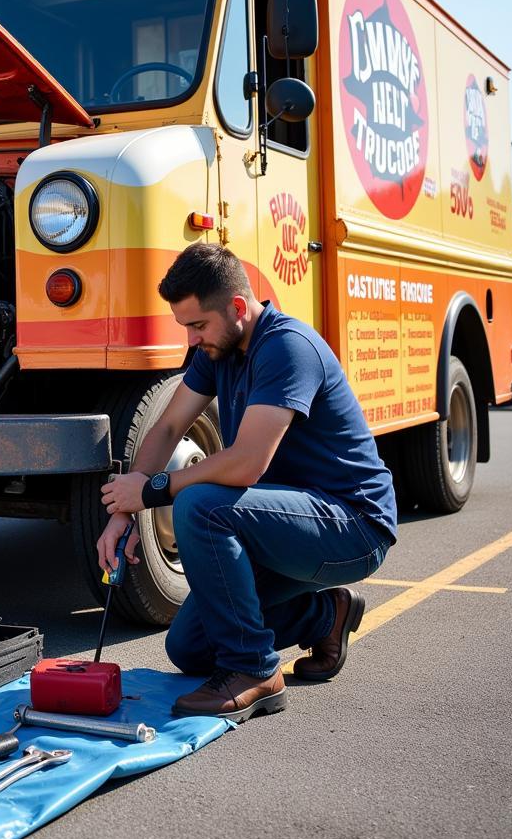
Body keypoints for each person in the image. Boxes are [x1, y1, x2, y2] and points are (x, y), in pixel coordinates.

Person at [98, 244, 396, 722]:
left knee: (199, 504)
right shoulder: (219, 349)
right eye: (186, 327)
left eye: (198, 325)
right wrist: (122, 512)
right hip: (284, 522)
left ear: (237, 307)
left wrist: (153, 490)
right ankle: (327, 615)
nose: (192, 340)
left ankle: (255, 670)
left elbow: (247, 465)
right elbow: (168, 428)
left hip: (353, 525)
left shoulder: (286, 347)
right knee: (190, 647)